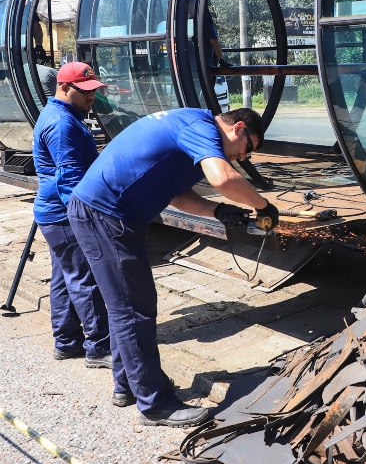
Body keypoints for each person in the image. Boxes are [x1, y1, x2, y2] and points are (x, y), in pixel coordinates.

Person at [67, 107, 278, 427]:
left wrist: (218, 211)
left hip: (109, 215)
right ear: (237, 128)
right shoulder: (203, 127)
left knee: (131, 306)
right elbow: (222, 177)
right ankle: (155, 404)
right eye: (248, 149)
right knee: (132, 310)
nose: (243, 158)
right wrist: (263, 205)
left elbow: (176, 194)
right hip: (106, 215)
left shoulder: (191, 128)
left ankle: (127, 385)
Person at [31, 62, 112, 369]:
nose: (91, 97)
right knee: (84, 280)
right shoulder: (63, 124)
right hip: (65, 215)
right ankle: (99, 347)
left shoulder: (59, 115)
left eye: (94, 90)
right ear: (64, 88)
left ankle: (66, 342)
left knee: (65, 278)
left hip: (54, 213)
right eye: (85, 91)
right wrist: (87, 219)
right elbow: (70, 180)